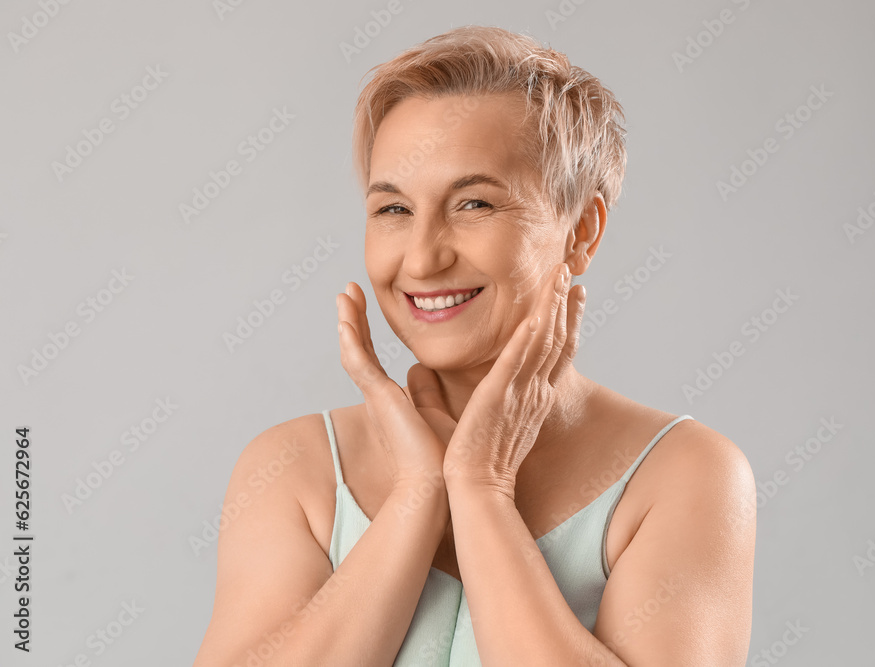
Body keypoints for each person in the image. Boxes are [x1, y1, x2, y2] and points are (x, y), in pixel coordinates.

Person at [194, 25, 756, 666]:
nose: (424, 258)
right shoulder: (293, 468)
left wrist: (482, 489)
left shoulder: (684, 474)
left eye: (474, 203)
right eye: (394, 210)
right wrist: (416, 496)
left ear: (581, 231)